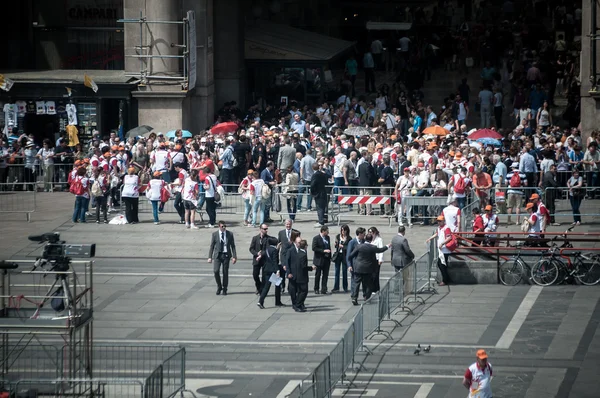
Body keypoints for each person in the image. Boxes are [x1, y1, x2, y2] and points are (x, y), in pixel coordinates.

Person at [347, 233, 389, 305]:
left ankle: (354, 298)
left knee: (356, 283)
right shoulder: (373, 247)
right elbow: (381, 250)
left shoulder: (359, 246)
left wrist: (354, 261)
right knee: (368, 284)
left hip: (358, 267)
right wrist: (388, 246)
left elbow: (350, 255)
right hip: (368, 269)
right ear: (371, 240)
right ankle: (367, 297)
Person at [208, 221, 237, 296]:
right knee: (216, 271)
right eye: (222, 226)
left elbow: (233, 246)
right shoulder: (215, 234)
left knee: (225, 272)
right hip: (218, 255)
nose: (224, 228)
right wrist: (210, 257)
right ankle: (219, 286)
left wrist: (234, 256)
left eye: (225, 226)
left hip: (226, 255)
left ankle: (225, 288)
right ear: (219, 227)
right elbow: (212, 246)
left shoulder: (229, 234)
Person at [286, 237, 314, 312]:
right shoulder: (291, 250)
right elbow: (287, 262)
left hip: (298, 274)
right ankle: (296, 304)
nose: (299, 244)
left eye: (300, 242)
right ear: (295, 243)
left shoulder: (301, 252)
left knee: (300, 291)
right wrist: (288, 272)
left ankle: (300, 304)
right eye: (298, 242)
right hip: (294, 274)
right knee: (295, 291)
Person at [257, 237, 284, 309]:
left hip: (266, 269)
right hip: (273, 271)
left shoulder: (267, 249)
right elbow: (275, 261)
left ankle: (261, 301)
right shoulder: (274, 250)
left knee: (266, 287)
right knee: (278, 285)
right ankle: (277, 301)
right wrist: (277, 270)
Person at [427, 215, 453, 286]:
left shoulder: (446, 228)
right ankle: (446, 279)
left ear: (443, 221)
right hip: (441, 250)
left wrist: (442, 243)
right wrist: (430, 238)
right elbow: (437, 234)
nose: (439, 222)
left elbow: (449, 237)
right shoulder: (439, 228)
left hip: (445, 249)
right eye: (438, 221)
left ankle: (445, 280)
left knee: (441, 264)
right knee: (441, 264)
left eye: (440, 221)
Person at [249, 223, 271, 294]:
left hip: (264, 259)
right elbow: (251, 248)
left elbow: (267, 249)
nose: (266, 230)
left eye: (266, 229)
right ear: (261, 229)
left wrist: (261, 254)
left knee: (264, 276)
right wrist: (256, 253)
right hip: (256, 260)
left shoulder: (268, 238)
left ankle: (262, 290)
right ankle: (259, 286)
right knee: (255, 275)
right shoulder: (255, 238)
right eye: (264, 229)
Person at [312, 225, 332, 294]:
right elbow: (314, 248)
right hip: (319, 259)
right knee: (318, 275)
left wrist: (330, 256)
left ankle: (324, 288)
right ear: (323, 231)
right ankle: (316, 288)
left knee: (325, 275)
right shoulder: (316, 238)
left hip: (326, 259)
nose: (328, 232)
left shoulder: (327, 238)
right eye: (327, 231)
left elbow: (329, 247)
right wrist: (323, 251)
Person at [332, 224, 351, 293]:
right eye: (342, 230)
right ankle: (336, 287)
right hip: (338, 255)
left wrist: (343, 246)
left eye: (344, 230)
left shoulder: (349, 238)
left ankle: (345, 287)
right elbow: (336, 245)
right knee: (337, 272)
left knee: (344, 272)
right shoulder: (338, 236)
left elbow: (349, 248)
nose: (343, 231)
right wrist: (336, 245)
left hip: (344, 256)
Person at [310, 163, 329, 227]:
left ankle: (321, 221)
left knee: (319, 208)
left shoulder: (315, 175)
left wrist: (312, 192)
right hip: (323, 191)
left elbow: (313, 184)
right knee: (323, 207)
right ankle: (322, 219)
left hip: (318, 193)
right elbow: (326, 182)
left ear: (312, 168)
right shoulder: (322, 174)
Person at [368, 226, 385, 293]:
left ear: (374, 233)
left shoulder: (379, 240)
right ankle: (371, 288)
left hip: (376, 259)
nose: (370, 233)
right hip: (370, 259)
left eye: (371, 232)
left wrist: (380, 259)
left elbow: (381, 249)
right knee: (370, 274)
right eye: (369, 232)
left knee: (376, 274)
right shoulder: (369, 239)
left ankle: (376, 288)